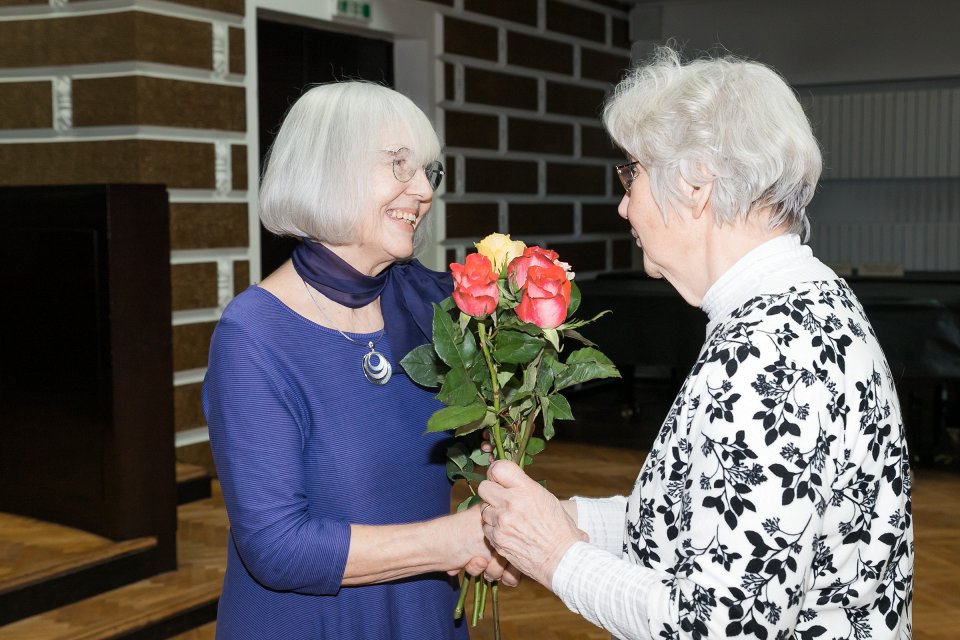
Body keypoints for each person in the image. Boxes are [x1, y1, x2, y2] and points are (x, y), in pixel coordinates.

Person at [476, 48, 913, 639]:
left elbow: (718, 628)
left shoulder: (768, 355)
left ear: (695, 183)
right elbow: (702, 521)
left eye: (632, 172)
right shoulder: (802, 301)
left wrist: (557, 556)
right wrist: (563, 520)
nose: (623, 202)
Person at [203, 82, 505, 639]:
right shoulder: (255, 333)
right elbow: (277, 546)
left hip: (424, 615)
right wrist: (455, 540)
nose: (422, 191)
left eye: (427, 172)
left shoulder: (426, 308)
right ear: (329, 168)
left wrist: (492, 441)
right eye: (399, 165)